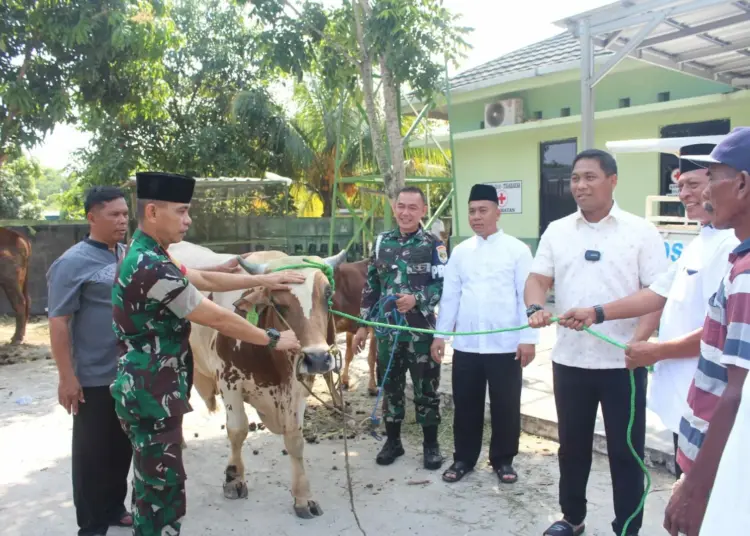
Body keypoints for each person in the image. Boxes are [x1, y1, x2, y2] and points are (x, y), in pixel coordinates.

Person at [110, 171, 305, 535]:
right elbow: (214, 316)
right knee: (160, 489)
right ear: (153, 212)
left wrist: (262, 280)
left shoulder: (149, 255)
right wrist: (273, 337)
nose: (188, 220)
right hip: (152, 389)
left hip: (152, 384)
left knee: (153, 479)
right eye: (182, 212)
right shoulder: (150, 267)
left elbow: (208, 279)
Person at [558, 143, 738, 480]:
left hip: (714, 399)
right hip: (688, 399)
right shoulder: (701, 241)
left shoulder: (732, 247)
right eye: (680, 184)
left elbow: (724, 331)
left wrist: (655, 350)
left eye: (696, 184)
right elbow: (657, 293)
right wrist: (595, 313)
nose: (685, 194)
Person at [524, 149, 668, 536]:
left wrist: (637, 342)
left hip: (623, 364)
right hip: (570, 361)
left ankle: (627, 527)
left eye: (589, 177)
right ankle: (572, 519)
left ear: (613, 180)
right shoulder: (557, 230)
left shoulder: (641, 231)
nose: (580, 185)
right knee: (571, 450)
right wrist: (535, 307)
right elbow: (538, 278)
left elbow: (658, 293)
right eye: (574, 178)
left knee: (626, 453)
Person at [656, 127, 750, 536]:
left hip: (723, 466)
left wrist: (695, 487)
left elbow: (738, 393)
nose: (704, 191)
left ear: (742, 184)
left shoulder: (746, 274)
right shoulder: (734, 256)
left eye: (712, 178)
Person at [431, 183, 538, 485]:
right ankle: (463, 458)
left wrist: (528, 339)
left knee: (506, 406)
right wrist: (440, 336)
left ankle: (503, 460)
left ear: (497, 212)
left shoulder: (518, 250)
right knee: (466, 404)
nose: (476, 217)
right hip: (467, 345)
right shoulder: (461, 252)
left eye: (482, 210)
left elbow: (525, 297)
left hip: (505, 346)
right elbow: (450, 296)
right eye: (471, 212)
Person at [47, 186, 133, 536]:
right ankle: (92, 524)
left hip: (128, 372)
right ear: (91, 217)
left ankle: (114, 507)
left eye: (125, 214)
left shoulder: (127, 254)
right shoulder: (71, 263)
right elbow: (58, 322)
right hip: (93, 377)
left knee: (122, 447)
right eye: (114, 214)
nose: (122, 221)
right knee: (92, 455)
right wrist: (67, 377)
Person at [352, 186, 447, 469]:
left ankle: (431, 445)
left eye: (412, 208)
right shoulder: (381, 243)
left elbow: (444, 285)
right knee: (390, 388)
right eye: (401, 206)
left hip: (421, 334)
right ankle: (393, 442)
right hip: (387, 333)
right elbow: (371, 286)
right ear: (395, 208)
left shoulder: (434, 244)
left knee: (426, 391)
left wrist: (416, 300)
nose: (405, 213)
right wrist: (363, 325)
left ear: (423, 211)